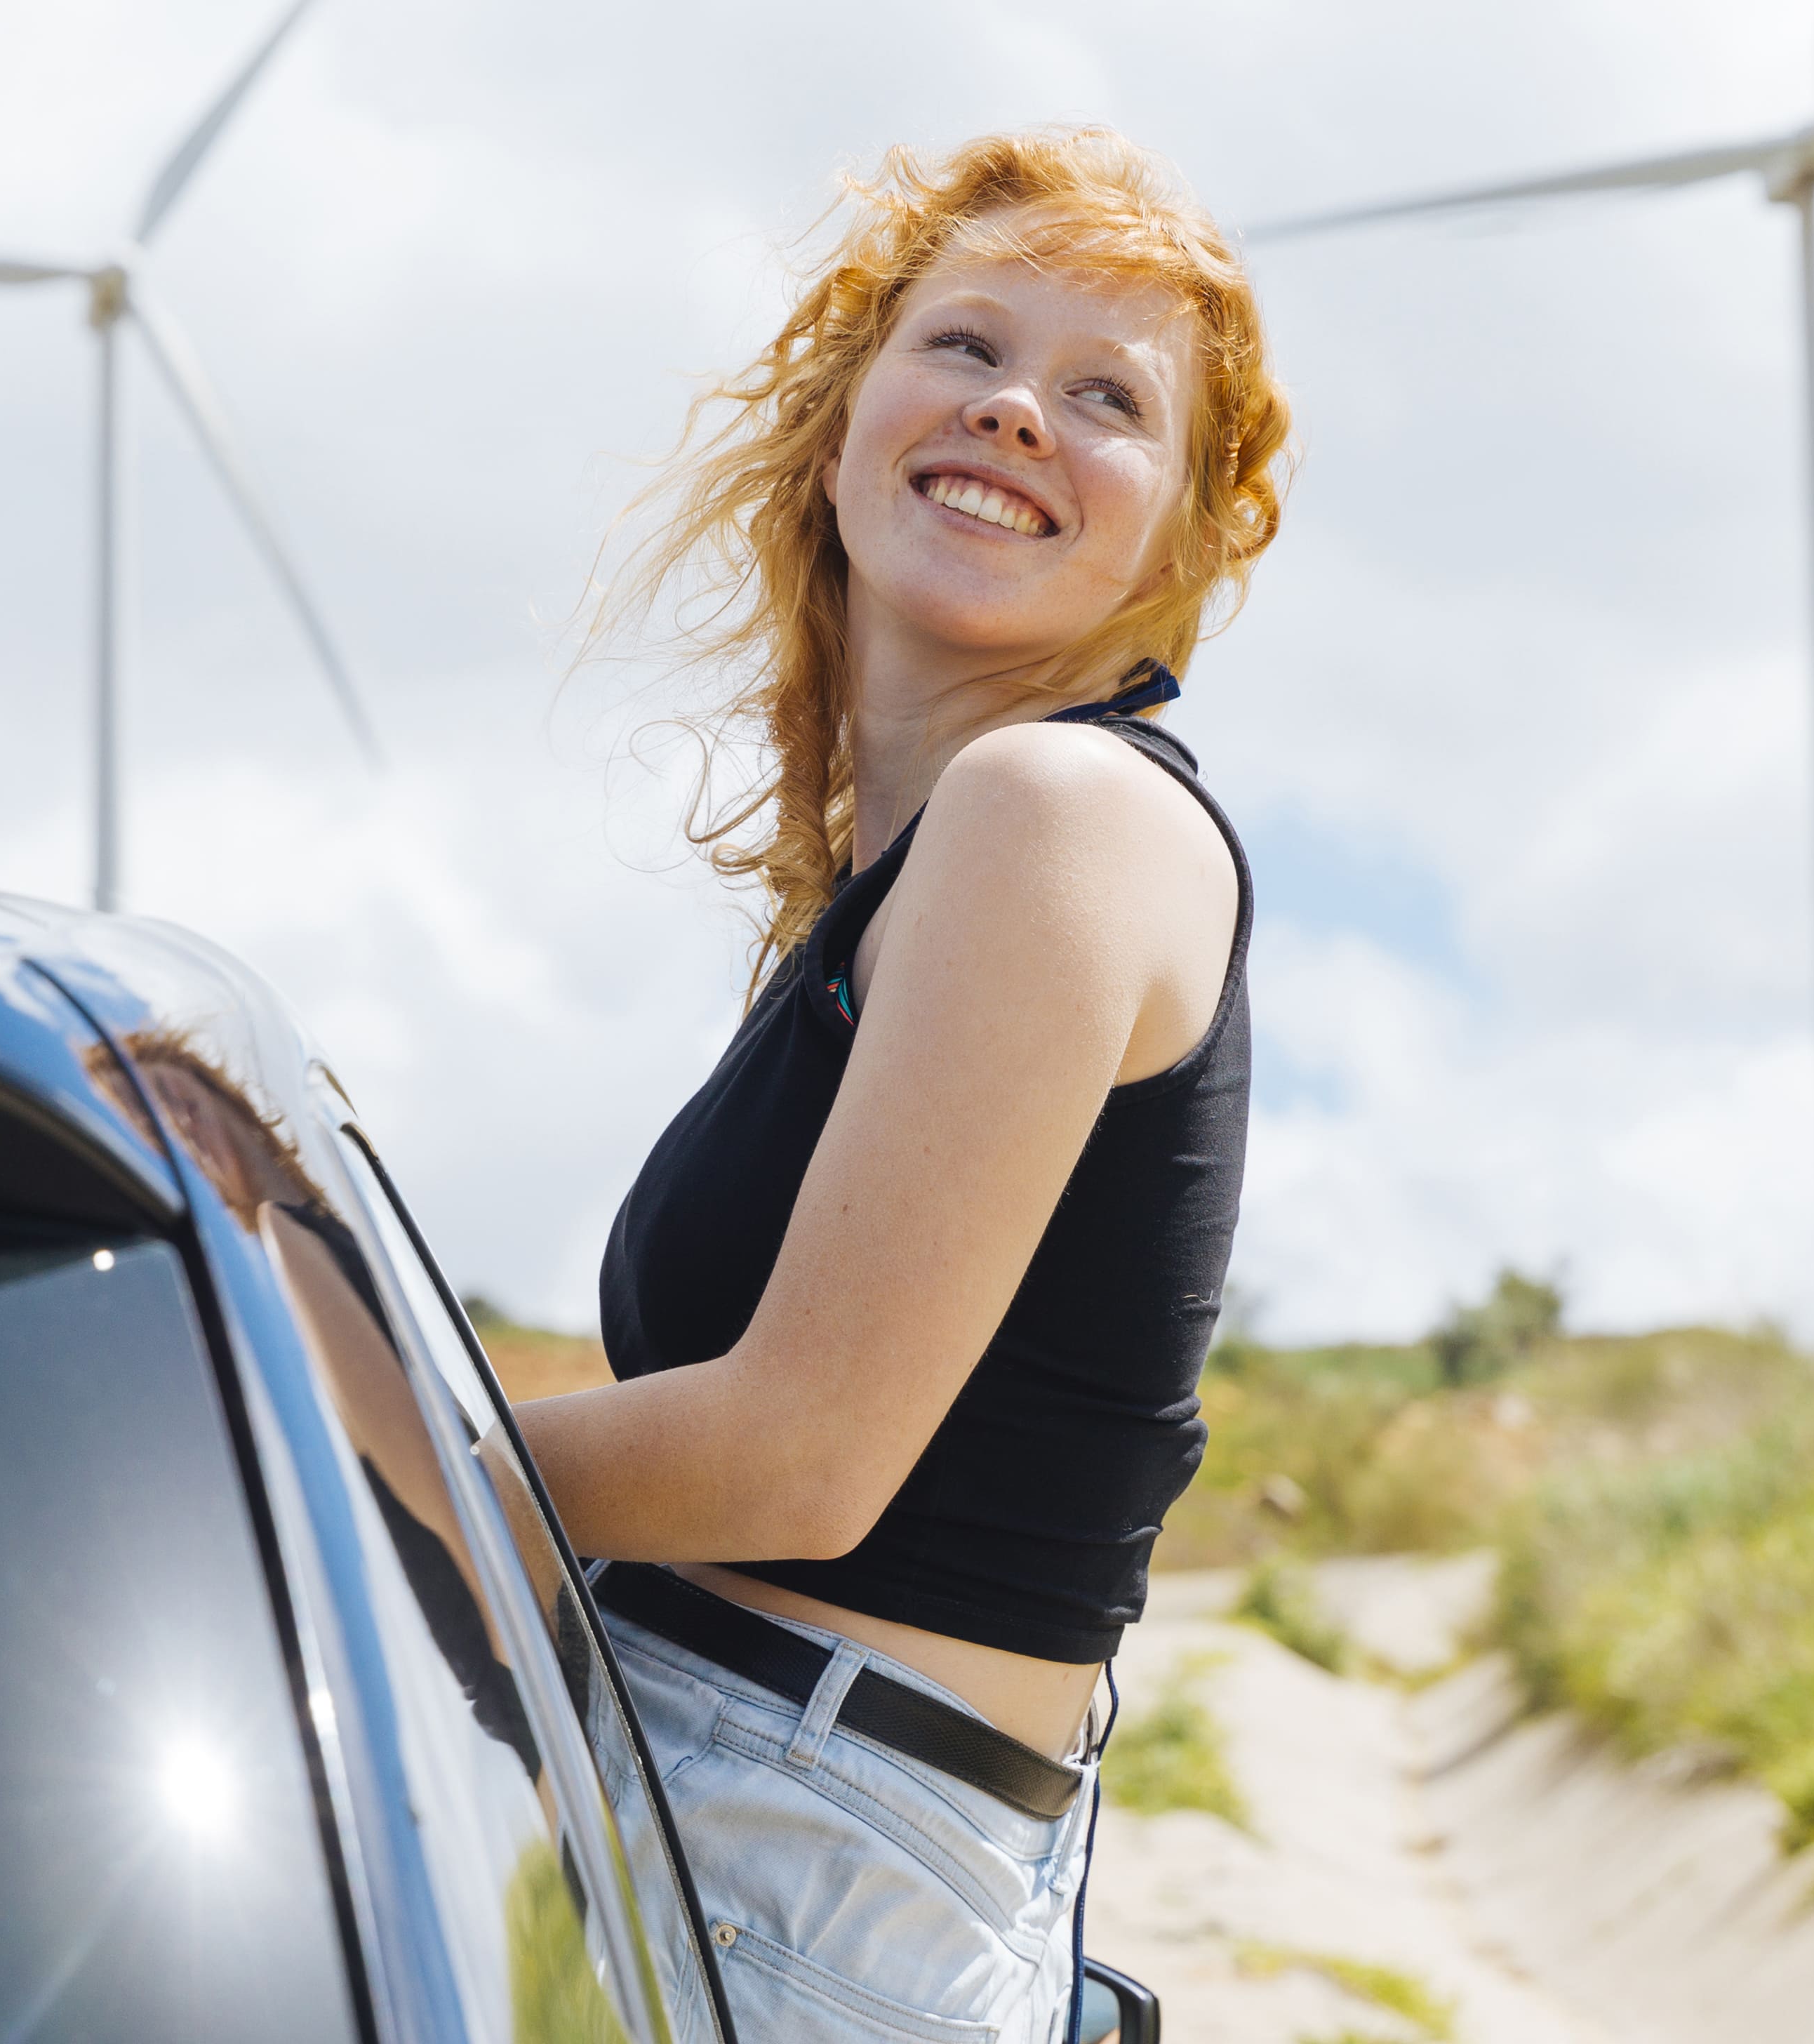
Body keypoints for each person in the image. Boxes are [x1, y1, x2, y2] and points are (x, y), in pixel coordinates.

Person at [518, 128, 1293, 2044]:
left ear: (1182, 544)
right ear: (850, 413)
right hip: (798, 1845)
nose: (1020, 408)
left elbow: (803, 1454)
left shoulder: (1057, 812)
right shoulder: (933, 872)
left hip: (795, 1858)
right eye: (966, 346)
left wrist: (325, 1440)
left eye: (1109, 398)